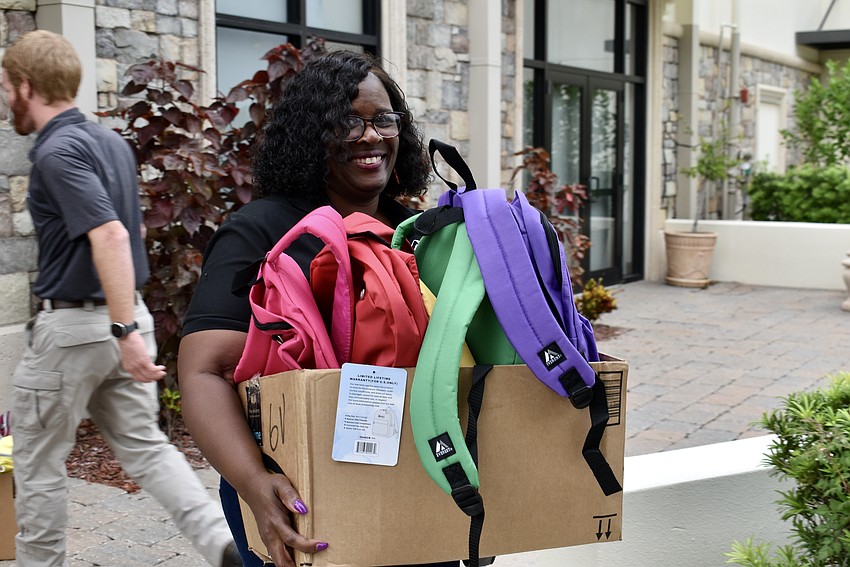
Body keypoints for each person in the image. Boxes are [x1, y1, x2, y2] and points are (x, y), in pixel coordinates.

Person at [178, 50, 459, 567]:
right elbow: (204, 369)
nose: (371, 136)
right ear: (311, 133)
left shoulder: (421, 236)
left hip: (417, 482)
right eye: (347, 122)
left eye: (383, 120)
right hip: (298, 492)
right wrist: (255, 483)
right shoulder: (265, 232)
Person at [2, 30, 242, 567]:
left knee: (38, 466)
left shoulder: (57, 151)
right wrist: (127, 328)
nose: (5, 99)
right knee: (148, 449)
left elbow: (108, 234)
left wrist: (123, 334)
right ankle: (223, 547)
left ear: (25, 86)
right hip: (121, 317)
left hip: (83, 331)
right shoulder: (108, 143)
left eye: (5, 87)